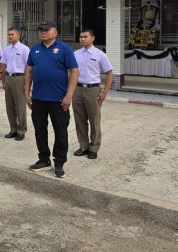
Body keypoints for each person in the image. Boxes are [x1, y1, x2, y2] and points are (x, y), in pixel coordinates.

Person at [25, 20, 79, 178]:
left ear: (55, 32)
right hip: (38, 98)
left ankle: (59, 162)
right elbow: (29, 71)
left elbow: (74, 72)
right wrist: (27, 93)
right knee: (40, 131)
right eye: (41, 30)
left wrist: (69, 95)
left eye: (47, 30)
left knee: (60, 132)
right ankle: (44, 159)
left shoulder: (64, 49)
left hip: (58, 99)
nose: (43, 32)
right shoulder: (34, 49)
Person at [72, 29, 113, 160]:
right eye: (81, 37)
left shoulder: (100, 55)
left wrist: (104, 92)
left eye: (85, 37)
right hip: (77, 89)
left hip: (92, 90)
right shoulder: (75, 54)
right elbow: (71, 72)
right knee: (79, 119)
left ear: (92, 38)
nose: (83, 39)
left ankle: (94, 148)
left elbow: (109, 73)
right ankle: (83, 146)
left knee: (94, 119)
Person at [0, 27, 30, 141]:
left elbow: (29, 67)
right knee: (10, 106)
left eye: (12, 34)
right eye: (9, 34)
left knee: (20, 106)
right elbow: (4, 66)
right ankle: (13, 128)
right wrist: (3, 80)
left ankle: (21, 130)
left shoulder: (24, 49)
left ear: (18, 35)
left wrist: (26, 84)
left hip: (19, 78)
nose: (10, 36)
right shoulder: (6, 49)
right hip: (9, 78)